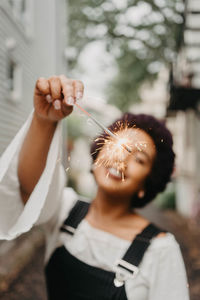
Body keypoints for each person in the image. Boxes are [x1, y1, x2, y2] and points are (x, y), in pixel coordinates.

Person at [0, 75, 190, 300]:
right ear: (98, 151)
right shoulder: (65, 210)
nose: (122, 158)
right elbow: (28, 187)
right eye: (118, 145)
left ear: (146, 185)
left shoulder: (160, 251)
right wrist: (44, 120)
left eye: (138, 159)